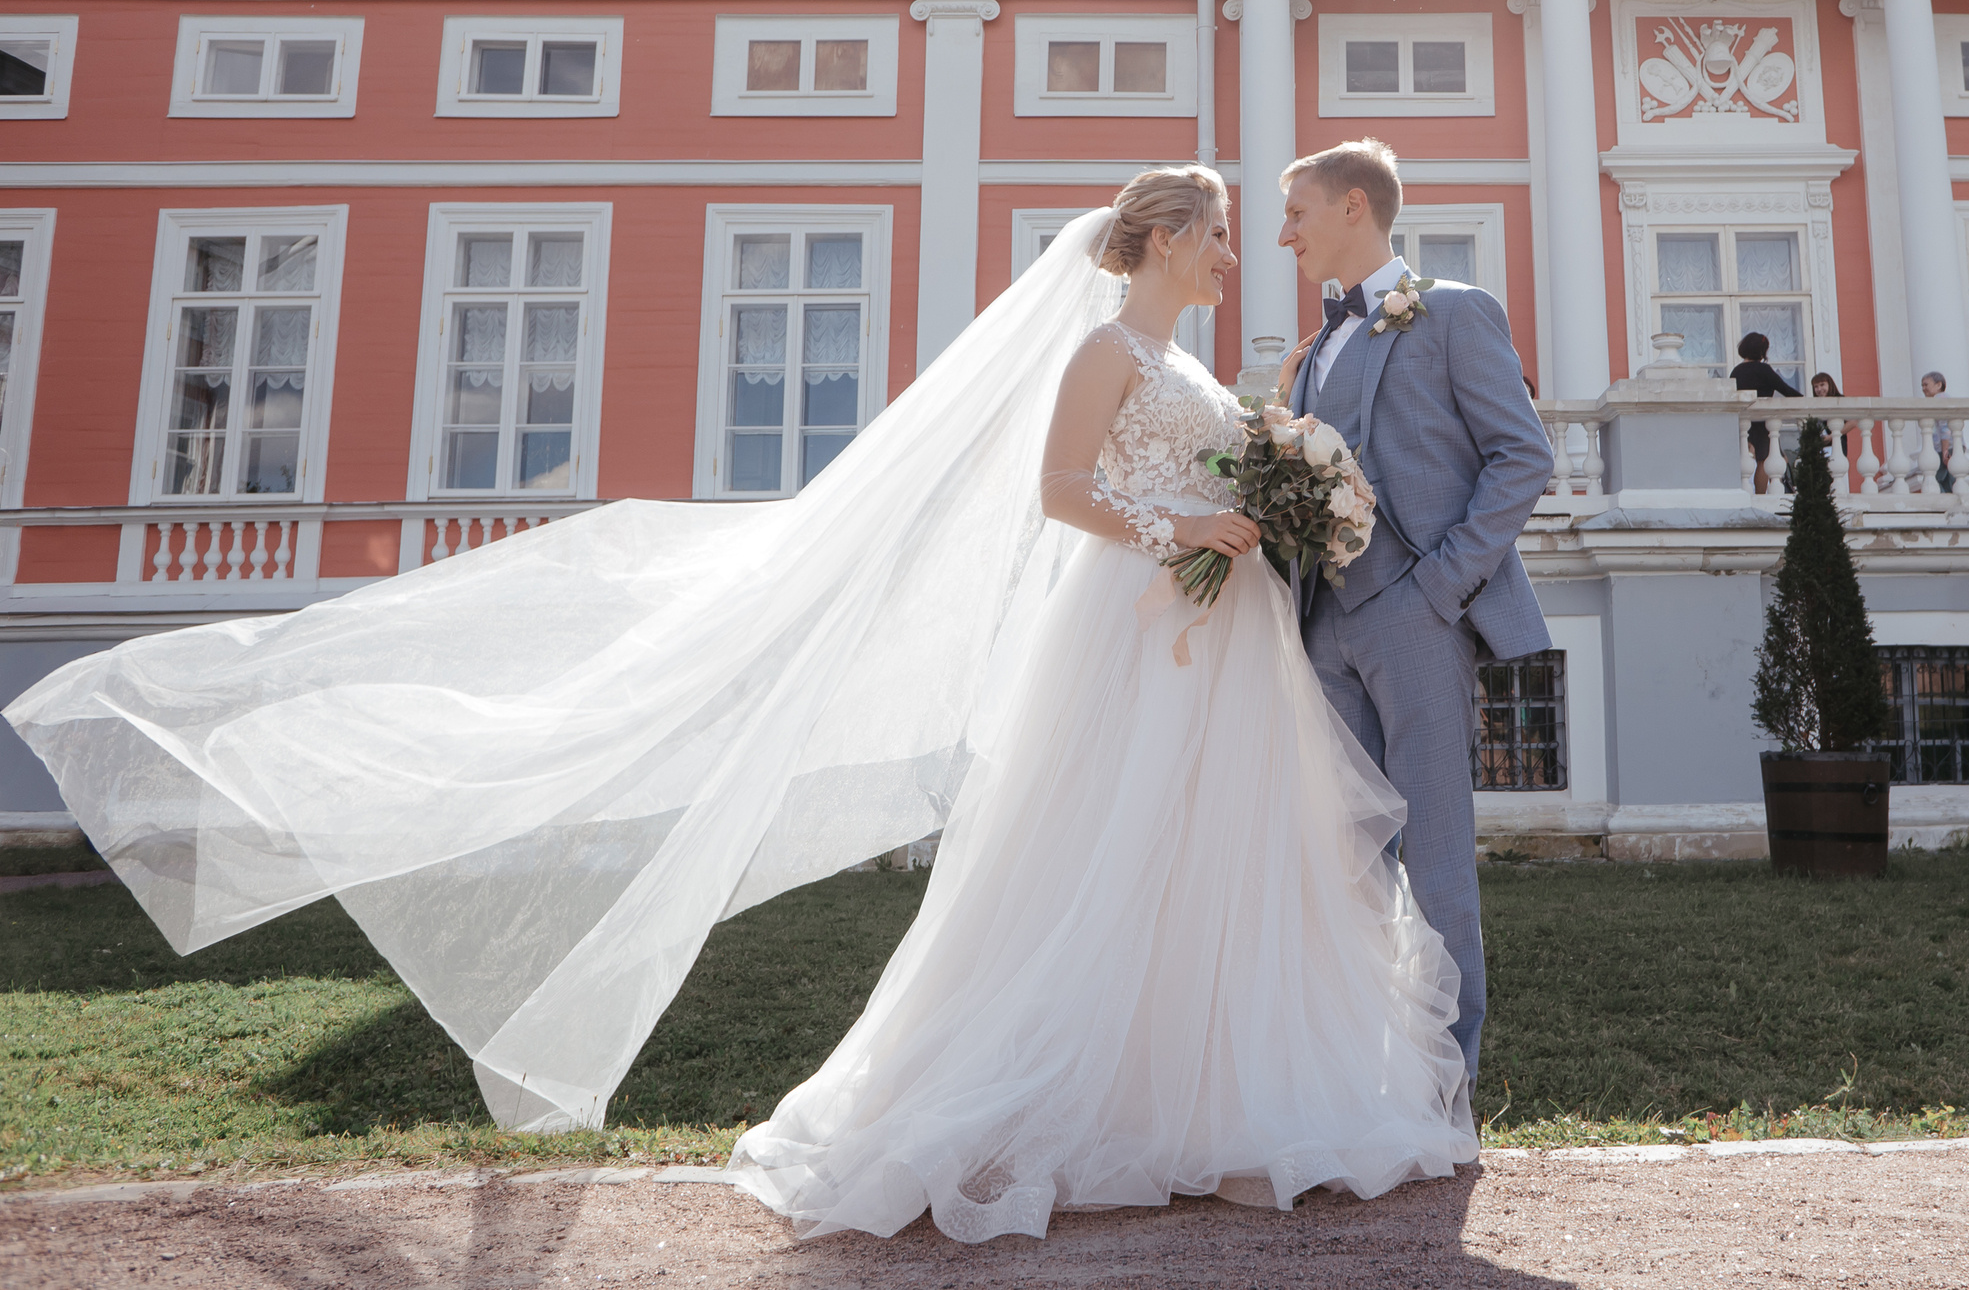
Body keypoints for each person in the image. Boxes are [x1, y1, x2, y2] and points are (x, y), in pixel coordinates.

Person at [6, 167, 1480, 1244]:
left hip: (1218, 651)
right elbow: (1058, 492)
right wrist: (1187, 533)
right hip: (1138, 630)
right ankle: (1081, 1100)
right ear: (1165, 235)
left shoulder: (1196, 362)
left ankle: (1219, 1107)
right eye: (1222, 228)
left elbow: (1205, 470)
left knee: (1213, 868)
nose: (1239, 248)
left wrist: (1264, 506)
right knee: (1103, 860)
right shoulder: (1104, 351)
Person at [1271, 139, 1553, 1093]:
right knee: (1339, 857)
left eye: (1298, 214)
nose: (1284, 235)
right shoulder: (1312, 352)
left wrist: (1443, 587)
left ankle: (1443, 1091)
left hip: (1419, 614)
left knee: (1434, 857)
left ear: (1356, 207)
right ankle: (1355, 1080)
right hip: (1324, 625)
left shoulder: (1457, 313)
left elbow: (1523, 457)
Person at [1729, 330, 1801, 494]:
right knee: (1765, 459)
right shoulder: (1763, 370)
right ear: (1762, 351)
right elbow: (1786, 390)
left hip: (1742, 422)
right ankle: (1761, 496)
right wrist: (1808, 400)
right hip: (1761, 423)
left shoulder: (1736, 371)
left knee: (1762, 459)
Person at [1920, 370, 1957, 493]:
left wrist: (1945, 450)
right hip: (1946, 447)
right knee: (1947, 482)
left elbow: (1945, 426)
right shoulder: (1940, 399)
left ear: (1938, 385)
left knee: (1937, 481)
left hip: (1947, 447)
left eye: (1926, 384)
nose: (1923, 388)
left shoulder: (1940, 398)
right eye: (1922, 386)